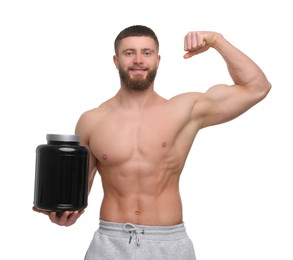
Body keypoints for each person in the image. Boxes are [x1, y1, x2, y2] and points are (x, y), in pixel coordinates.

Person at [33, 25, 271, 259]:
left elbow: (256, 87)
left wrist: (217, 40)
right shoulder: (92, 121)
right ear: (116, 61)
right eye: (129, 53)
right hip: (110, 243)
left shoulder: (185, 110)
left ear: (158, 59)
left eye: (146, 53)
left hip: (168, 243)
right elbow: (77, 191)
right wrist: (63, 212)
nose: (138, 60)